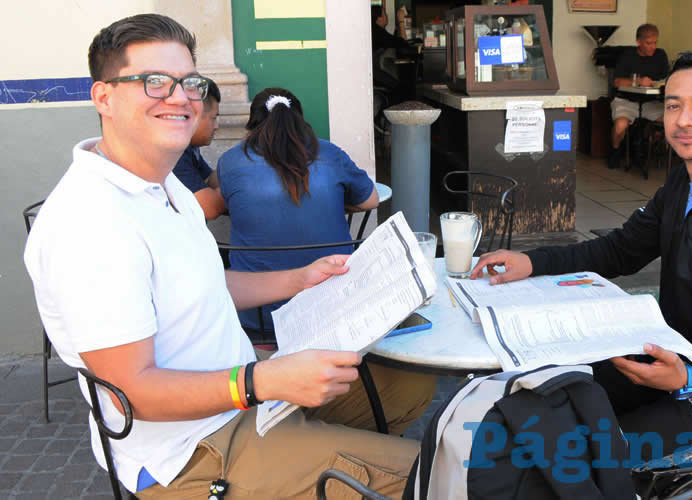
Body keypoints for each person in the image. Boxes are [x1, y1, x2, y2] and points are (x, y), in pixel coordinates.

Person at [23, 14, 433, 498]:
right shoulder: (89, 221)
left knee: (412, 387)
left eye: (188, 82)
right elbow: (132, 392)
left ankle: (325, 462)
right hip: (190, 450)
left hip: (246, 400)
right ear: (104, 97)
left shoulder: (164, 183)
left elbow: (207, 283)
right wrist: (262, 380)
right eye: (153, 82)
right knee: (429, 474)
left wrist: (301, 278)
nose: (179, 97)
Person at [471, 50, 692, 464]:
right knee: (547, 403)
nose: (684, 120)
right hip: (670, 358)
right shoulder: (681, 185)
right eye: (674, 106)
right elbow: (621, 250)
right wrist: (533, 262)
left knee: (580, 459)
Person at [217, 87, 379, 335]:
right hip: (334, 308)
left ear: (252, 125)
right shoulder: (330, 153)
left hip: (258, 314)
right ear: (300, 121)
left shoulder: (231, 161)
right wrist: (332, 202)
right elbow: (371, 200)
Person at [608, 23, 669, 170]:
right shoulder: (627, 56)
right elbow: (617, 82)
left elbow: (666, 79)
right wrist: (638, 82)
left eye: (655, 42)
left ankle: (646, 148)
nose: (652, 47)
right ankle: (615, 151)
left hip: (650, 102)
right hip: (626, 100)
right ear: (639, 42)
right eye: (648, 43)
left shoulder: (660, 55)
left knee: (672, 121)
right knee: (621, 125)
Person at [172, 78, 226, 219]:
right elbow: (210, 208)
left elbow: (211, 179)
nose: (216, 126)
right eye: (213, 118)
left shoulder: (191, 148)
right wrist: (244, 191)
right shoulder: (175, 154)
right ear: (194, 114)